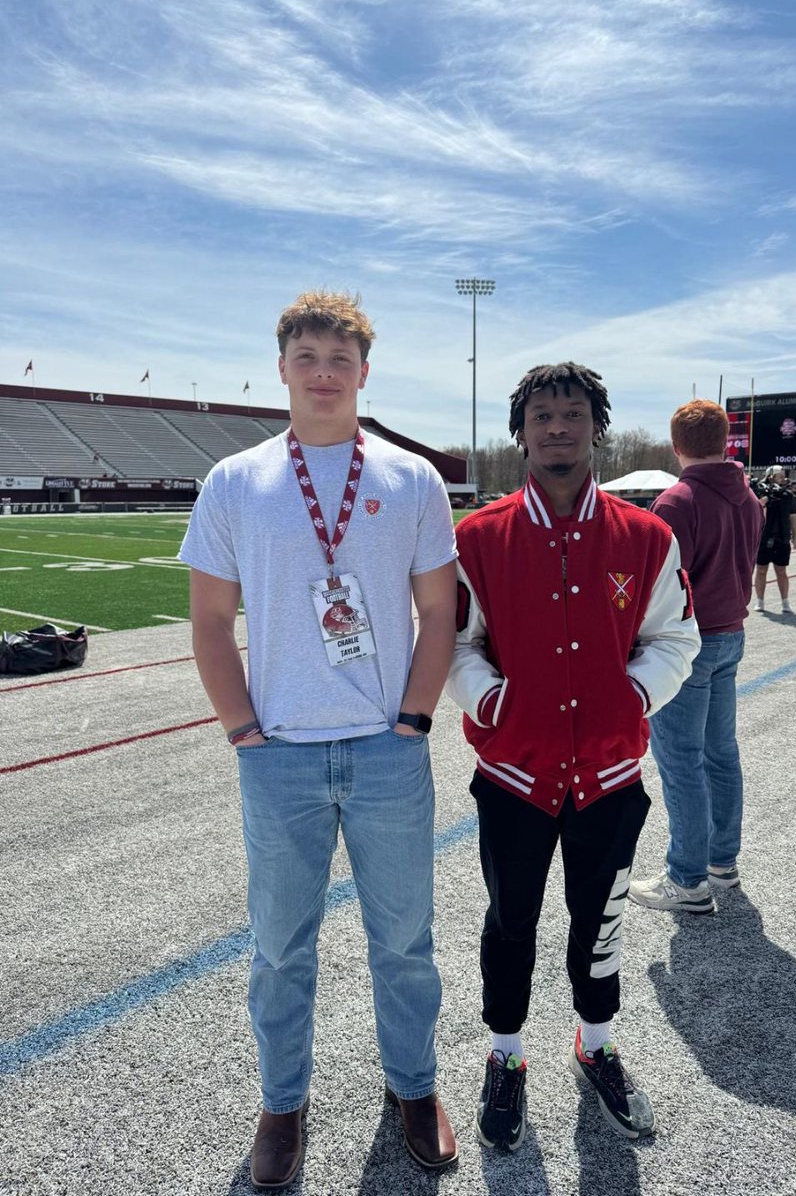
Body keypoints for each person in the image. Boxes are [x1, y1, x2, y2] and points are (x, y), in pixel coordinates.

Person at [179, 290, 459, 1186]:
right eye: (308, 358)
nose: (325, 374)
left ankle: (413, 1086)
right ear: (283, 370)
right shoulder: (236, 480)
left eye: (341, 360)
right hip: (281, 759)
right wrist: (243, 731)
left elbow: (439, 612)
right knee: (280, 949)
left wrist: (412, 721)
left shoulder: (411, 478)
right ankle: (282, 1105)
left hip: (385, 750)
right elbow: (212, 622)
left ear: (364, 373)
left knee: (404, 940)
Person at [447, 363, 699, 1150]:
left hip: (610, 777)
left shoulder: (647, 534)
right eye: (543, 415)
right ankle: (506, 1056)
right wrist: (492, 704)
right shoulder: (477, 538)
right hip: (514, 776)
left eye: (574, 413)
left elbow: (675, 638)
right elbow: (456, 646)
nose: (558, 426)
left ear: (598, 426)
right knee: (509, 922)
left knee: (601, 925)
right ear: (520, 431)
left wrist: (631, 701)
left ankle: (597, 1044)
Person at [629, 401, 764, 914]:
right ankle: (720, 862)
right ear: (725, 441)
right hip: (730, 631)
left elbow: (661, 588)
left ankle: (686, 878)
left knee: (681, 760)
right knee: (720, 752)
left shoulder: (677, 502)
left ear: (676, 445)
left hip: (688, 642)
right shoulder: (748, 497)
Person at [753, 465, 796, 613]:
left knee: (781, 570)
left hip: (781, 537)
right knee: (761, 570)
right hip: (763, 537)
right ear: (771, 476)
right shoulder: (759, 492)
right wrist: (762, 501)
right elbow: (751, 512)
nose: (783, 478)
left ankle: (785, 602)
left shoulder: (787, 495)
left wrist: (795, 536)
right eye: (780, 475)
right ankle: (760, 601)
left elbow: (793, 516)